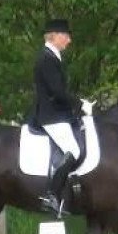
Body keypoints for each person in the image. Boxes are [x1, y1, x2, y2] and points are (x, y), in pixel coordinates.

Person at [31, 19, 93, 217]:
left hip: (57, 114)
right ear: (55, 35)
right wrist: (80, 104)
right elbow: (57, 92)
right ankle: (50, 194)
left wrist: (78, 103)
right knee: (73, 150)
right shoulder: (46, 58)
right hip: (52, 116)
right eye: (66, 36)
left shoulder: (51, 57)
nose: (69, 40)